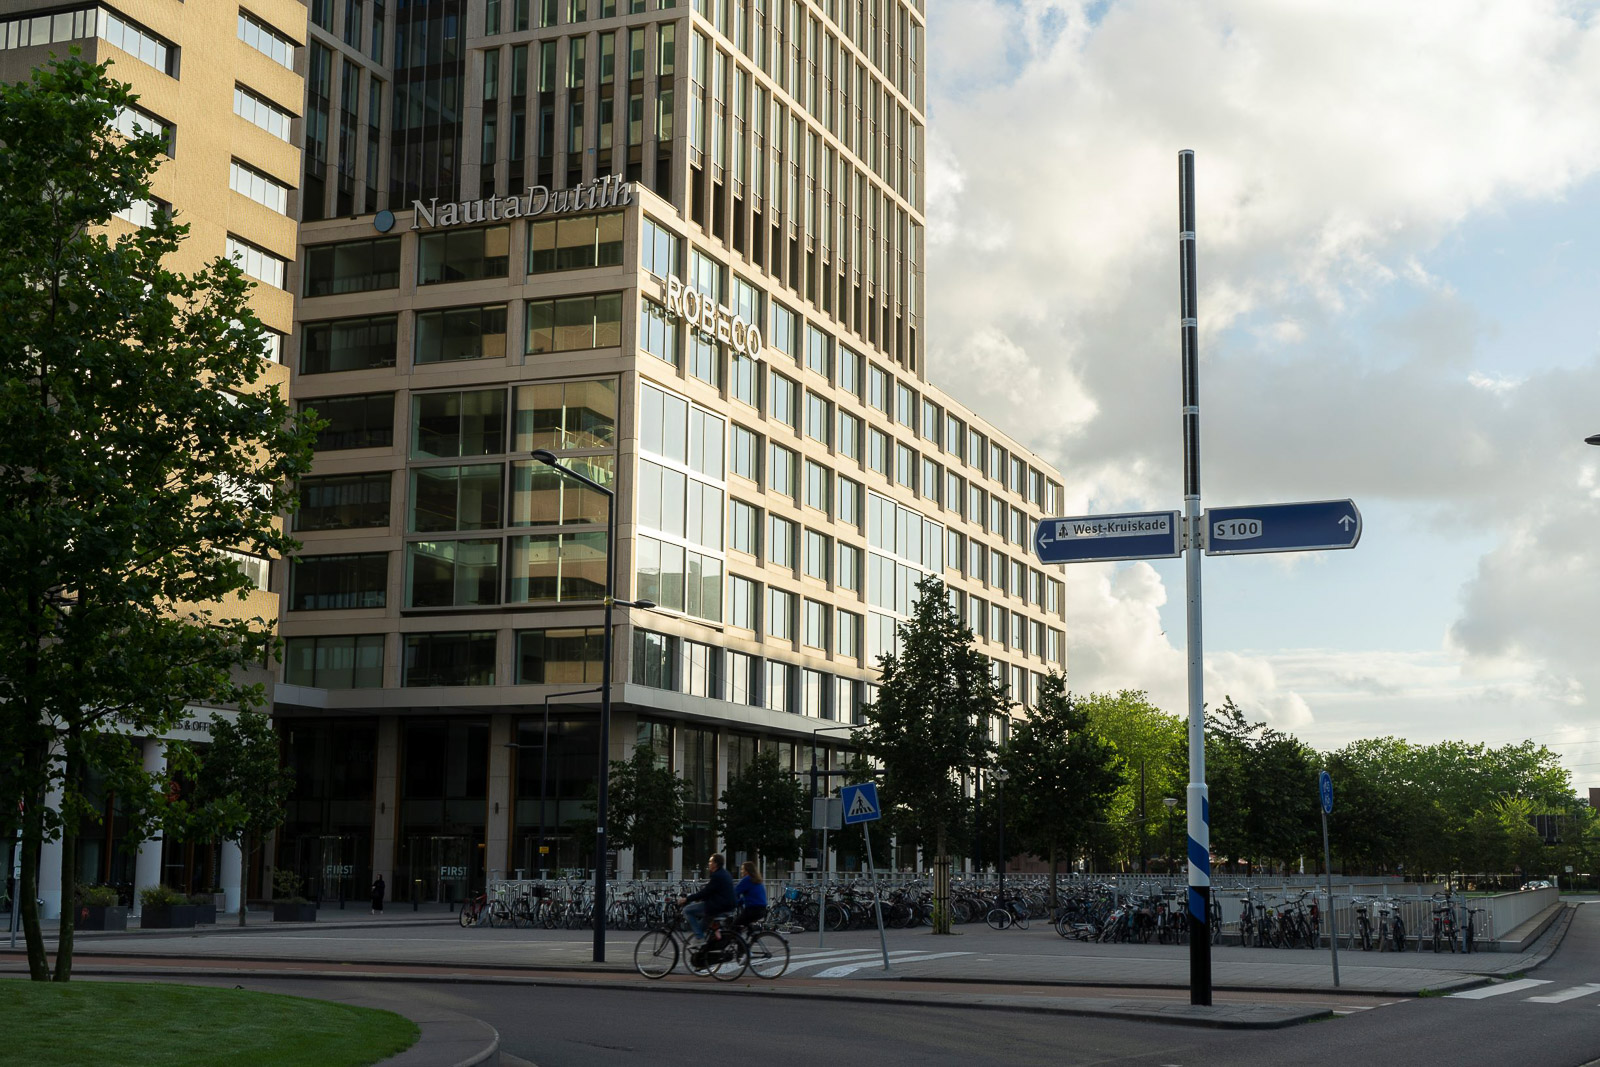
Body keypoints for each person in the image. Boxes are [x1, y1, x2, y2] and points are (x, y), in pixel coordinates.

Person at [677, 853, 735, 943]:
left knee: (687, 910)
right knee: (701, 927)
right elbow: (714, 892)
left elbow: (706, 892)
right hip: (727, 906)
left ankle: (700, 938)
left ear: (715, 864)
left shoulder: (717, 876)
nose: (709, 864)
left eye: (710, 862)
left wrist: (687, 899)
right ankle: (704, 943)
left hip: (717, 906)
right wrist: (700, 898)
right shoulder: (725, 873)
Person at [733, 860, 768, 933]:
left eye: (742, 869)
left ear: (747, 871)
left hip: (753, 909)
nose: (741, 871)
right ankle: (752, 935)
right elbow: (748, 897)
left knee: (735, 925)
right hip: (762, 909)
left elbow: (735, 892)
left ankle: (739, 939)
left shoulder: (747, 879)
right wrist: (738, 902)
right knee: (745, 924)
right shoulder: (756, 880)